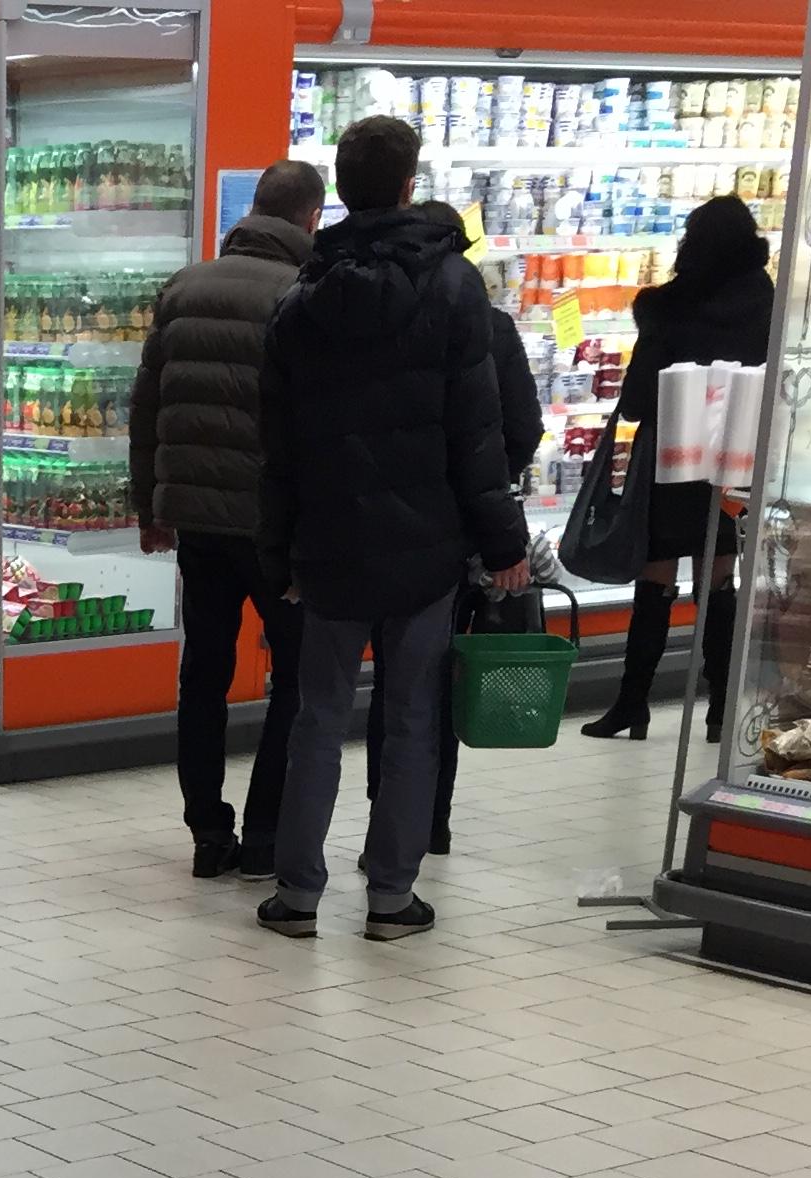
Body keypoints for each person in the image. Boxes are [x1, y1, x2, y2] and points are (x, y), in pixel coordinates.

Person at [255, 113, 528, 946]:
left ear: (339, 190)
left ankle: (297, 893)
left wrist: (279, 552)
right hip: (426, 547)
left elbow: (279, 449)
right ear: (410, 185)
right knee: (411, 720)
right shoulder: (453, 288)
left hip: (329, 543)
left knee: (316, 717)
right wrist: (503, 542)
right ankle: (390, 897)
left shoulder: (301, 297)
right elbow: (477, 431)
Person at [132, 158, 323, 877]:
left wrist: (149, 505)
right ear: (311, 218)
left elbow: (147, 406)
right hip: (274, 528)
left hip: (196, 524)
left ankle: (208, 834)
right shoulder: (305, 292)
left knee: (204, 675)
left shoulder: (185, 286)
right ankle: (266, 835)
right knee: (296, 678)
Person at [579, 193, 774, 740]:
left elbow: (638, 398)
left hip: (671, 453)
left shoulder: (668, 308)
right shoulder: (767, 303)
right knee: (719, 579)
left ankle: (631, 705)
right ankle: (720, 709)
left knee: (656, 577)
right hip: (733, 455)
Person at [364, 298, 544, 857]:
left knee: (395, 681)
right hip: (468, 532)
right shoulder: (492, 326)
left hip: (392, 528)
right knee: (445, 678)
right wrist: (490, 498)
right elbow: (525, 427)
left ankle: (385, 827)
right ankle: (431, 822)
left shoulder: (384, 317)